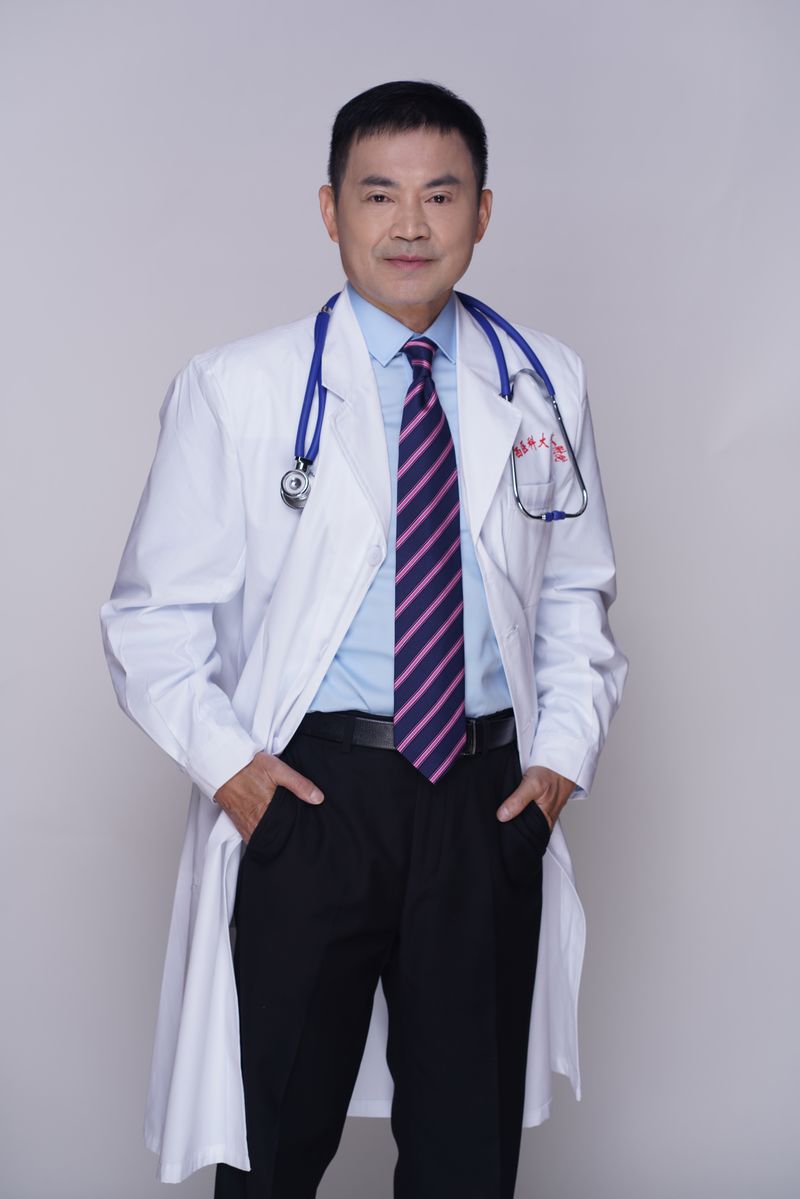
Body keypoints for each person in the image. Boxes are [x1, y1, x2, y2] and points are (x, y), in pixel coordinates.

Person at [99, 79, 628, 1198]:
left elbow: (576, 596)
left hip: (484, 798)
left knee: (466, 1156)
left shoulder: (544, 380)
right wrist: (236, 775)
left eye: (441, 194)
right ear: (329, 209)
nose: (410, 225)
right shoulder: (238, 388)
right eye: (378, 194)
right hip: (314, 797)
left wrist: (556, 767)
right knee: (275, 1144)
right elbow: (149, 619)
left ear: (483, 212)